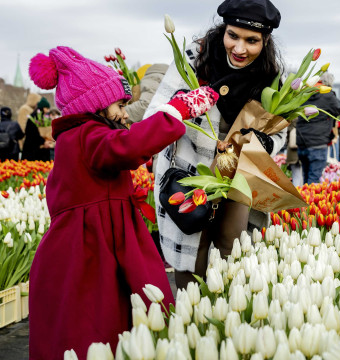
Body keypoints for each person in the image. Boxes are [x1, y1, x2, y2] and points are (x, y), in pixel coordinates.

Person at [27, 46, 216, 359]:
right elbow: (127, 147)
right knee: (103, 320)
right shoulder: (88, 136)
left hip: (87, 243)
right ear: (96, 105)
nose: (124, 112)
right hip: (94, 249)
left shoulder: (77, 138)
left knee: (93, 323)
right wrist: (175, 111)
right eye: (119, 104)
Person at [147, 0, 286, 289]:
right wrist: (184, 107)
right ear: (223, 29)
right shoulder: (193, 60)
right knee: (191, 250)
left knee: (233, 247)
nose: (240, 48)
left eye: (252, 41)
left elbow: (282, 125)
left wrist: (267, 141)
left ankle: (225, 316)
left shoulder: (270, 75)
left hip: (238, 172)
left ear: (266, 40)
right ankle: (190, 315)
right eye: (233, 35)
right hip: (191, 169)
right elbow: (156, 112)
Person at [296, 72, 340, 183]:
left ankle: (304, 198)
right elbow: (339, 109)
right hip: (318, 143)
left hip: (302, 142)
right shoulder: (328, 95)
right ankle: (309, 200)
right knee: (314, 180)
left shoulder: (304, 92)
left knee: (306, 177)